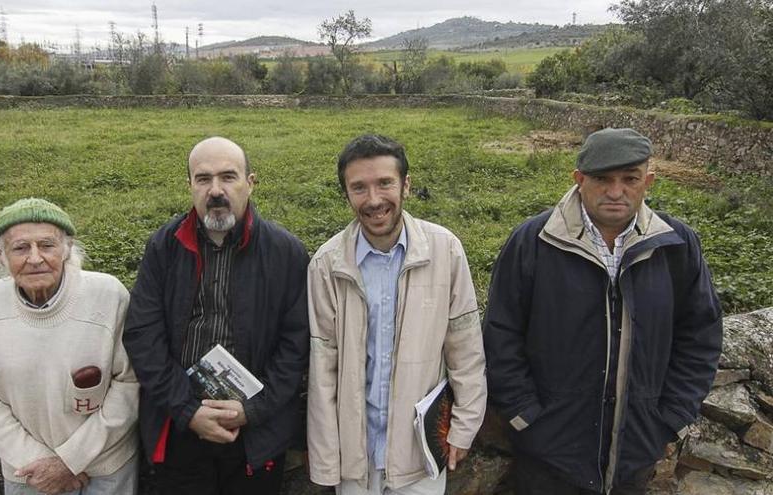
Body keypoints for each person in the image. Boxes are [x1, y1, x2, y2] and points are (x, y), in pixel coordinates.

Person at [483, 128, 723, 495]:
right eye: (601, 179)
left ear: (649, 181)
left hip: (635, 453)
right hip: (547, 456)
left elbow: (701, 335)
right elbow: (501, 333)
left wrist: (670, 418)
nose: (615, 192)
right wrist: (525, 416)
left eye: (630, 179)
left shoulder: (676, 245)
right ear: (578, 180)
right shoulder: (533, 241)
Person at [123, 136, 310, 495]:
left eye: (228, 177)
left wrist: (252, 410)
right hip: (179, 425)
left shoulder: (286, 252)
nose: (216, 190)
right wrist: (187, 409)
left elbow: (297, 344)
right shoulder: (164, 246)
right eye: (204, 179)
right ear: (190, 185)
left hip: (255, 434)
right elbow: (142, 335)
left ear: (250, 183)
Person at [307, 134, 487, 495]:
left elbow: (465, 348)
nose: (374, 200)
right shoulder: (328, 264)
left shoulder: (444, 250)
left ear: (406, 184)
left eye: (385, 183)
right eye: (359, 188)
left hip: (420, 455)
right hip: (354, 460)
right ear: (346, 194)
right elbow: (323, 369)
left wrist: (464, 428)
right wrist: (328, 463)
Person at [0, 198, 140, 495]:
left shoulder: (107, 295)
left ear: (67, 248)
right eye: (20, 248)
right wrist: (39, 462)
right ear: (0, 255)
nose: (34, 258)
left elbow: (129, 385)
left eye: (46, 245)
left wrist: (70, 461)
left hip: (106, 468)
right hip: (29, 472)